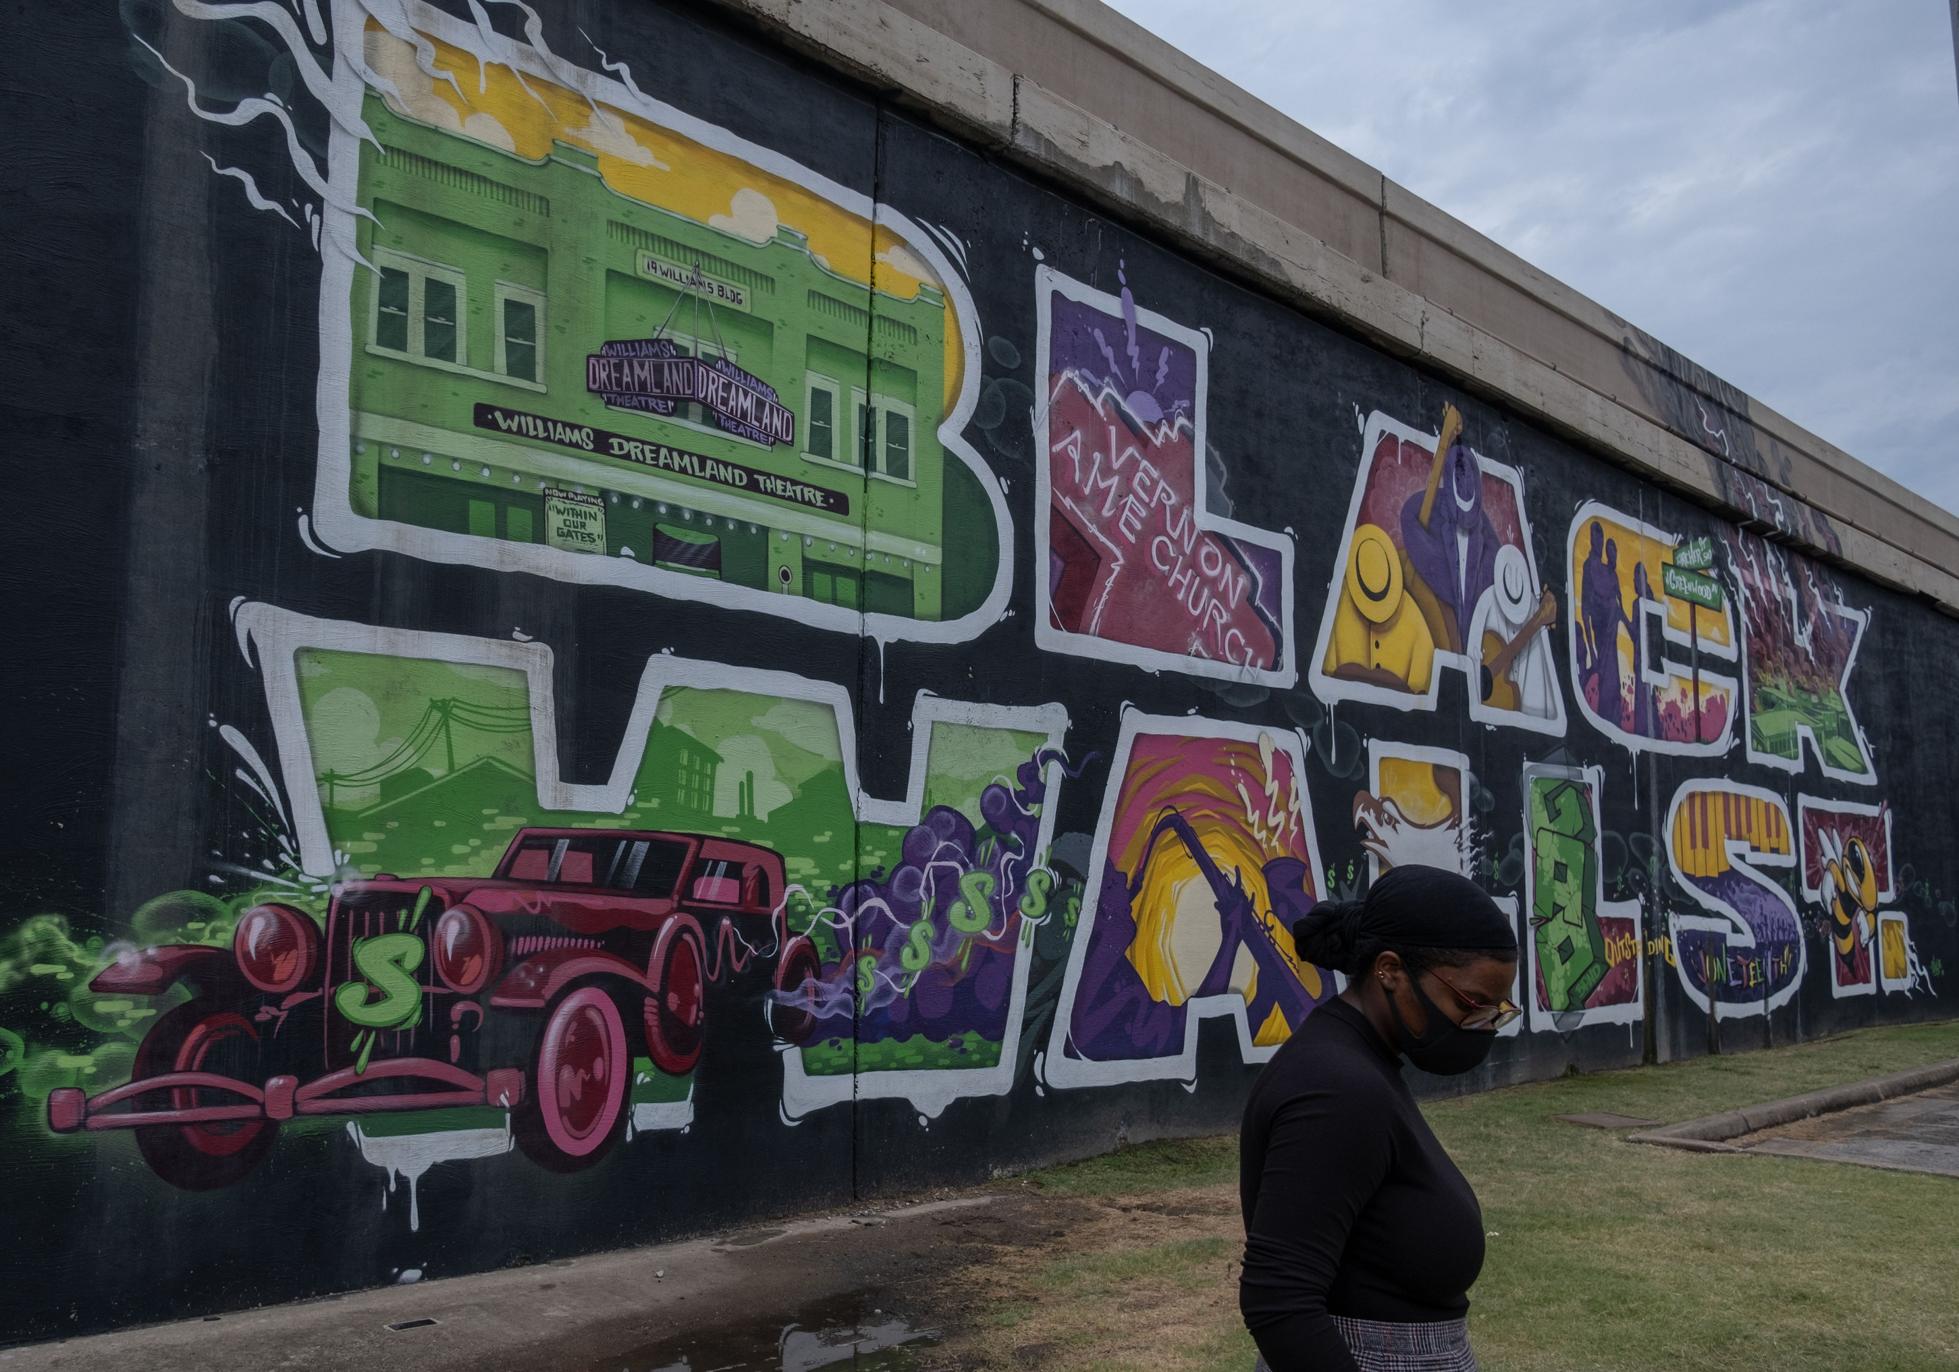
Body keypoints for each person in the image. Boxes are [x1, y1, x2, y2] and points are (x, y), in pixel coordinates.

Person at [1239, 865, 1520, 1371]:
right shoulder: (1336, 1087)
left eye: (1495, 1010)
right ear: (1388, 969)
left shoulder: (1359, 1066)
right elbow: (1279, 1300)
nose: (1480, 1024)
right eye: (1472, 1004)